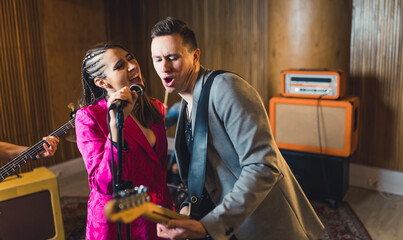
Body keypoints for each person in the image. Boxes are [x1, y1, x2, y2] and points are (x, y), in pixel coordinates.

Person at [151, 17, 325, 240]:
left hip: (262, 224)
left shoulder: (226, 88)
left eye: (172, 57)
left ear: (195, 56)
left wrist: (211, 225)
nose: (164, 67)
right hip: (228, 226)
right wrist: (188, 210)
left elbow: (263, 166)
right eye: (157, 59)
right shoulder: (186, 104)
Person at [75, 43, 173, 240]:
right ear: (102, 82)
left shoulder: (155, 108)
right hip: (117, 222)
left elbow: (157, 168)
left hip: (156, 213)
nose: (132, 66)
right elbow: (103, 183)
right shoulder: (89, 117)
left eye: (130, 58)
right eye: (120, 65)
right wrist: (114, 129)